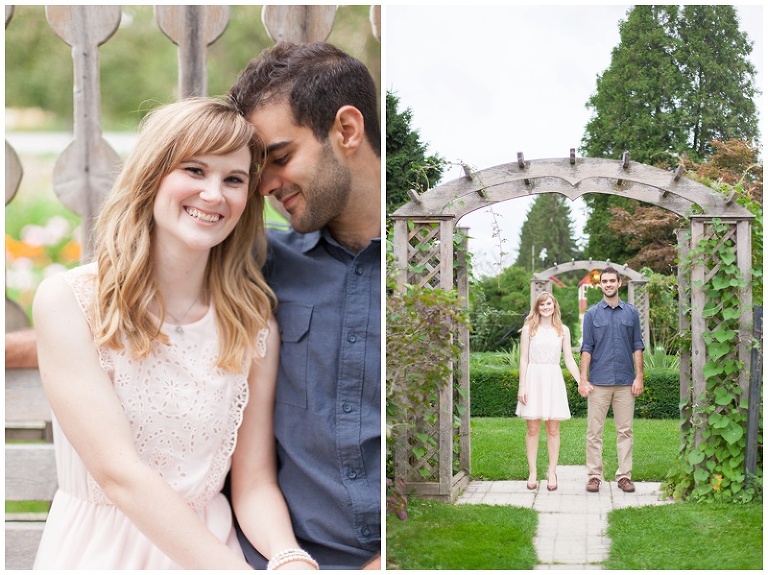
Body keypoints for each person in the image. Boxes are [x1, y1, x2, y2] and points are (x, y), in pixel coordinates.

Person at [31, 97, 317, 570]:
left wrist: (288, 558)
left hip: (213, 544)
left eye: (233, 180)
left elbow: (254, 483)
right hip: (101, 550)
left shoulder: (250, 323)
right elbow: (118, 473)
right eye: (194, 170)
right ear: (152, 176)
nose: (213, 195)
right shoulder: (71, 302)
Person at [228, 41, 381, 570]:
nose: (264, 185)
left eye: (279, 158)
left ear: (346, 130)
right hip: (278, 557)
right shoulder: (260, 261)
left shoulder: (427, 276)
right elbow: (138, 326)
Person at [578, 266, 645, 494]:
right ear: (601, 285)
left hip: (626, 382)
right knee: (593, 432)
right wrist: (582, 379)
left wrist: (639, 377)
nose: (608, 284)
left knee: (625, 431)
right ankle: (594, 476)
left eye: (611, 281)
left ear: (619, 283)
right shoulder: (592, 314)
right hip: (598, 382)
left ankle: (624, 476)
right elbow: (586, 348)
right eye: (604, 281)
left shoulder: (632, 313)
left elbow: (637, 346)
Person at [516, 292, 580, 491]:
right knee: (532, 429)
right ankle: (533, 471)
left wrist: (580, 380)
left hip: (553, 378)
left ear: (554, 306)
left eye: (549, 303)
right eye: (542, 304)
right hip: (533, 378)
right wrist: (522, 386)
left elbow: (568, 358)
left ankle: (552, 471)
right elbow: (524, 359)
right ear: (537, 307)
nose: (545, 307)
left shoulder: (563, 330)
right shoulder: (528, 330)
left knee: (553, 429)